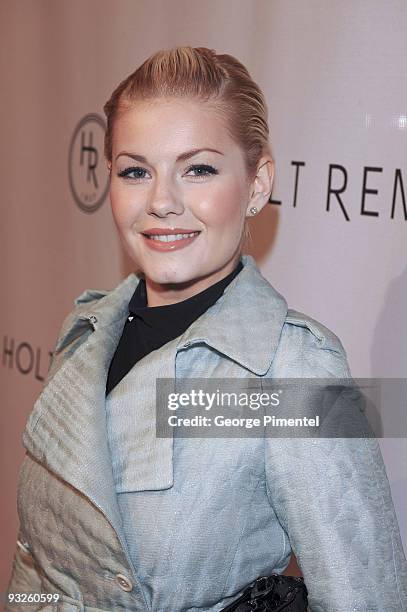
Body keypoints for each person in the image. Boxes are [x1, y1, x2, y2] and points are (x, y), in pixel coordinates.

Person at [6, 46, 407, 612]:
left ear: (258, 183)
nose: (161, 203)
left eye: (198, 169)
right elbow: (38, 570)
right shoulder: (86, 331)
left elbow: (366, 599)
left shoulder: (294, 368)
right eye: (135, 171)